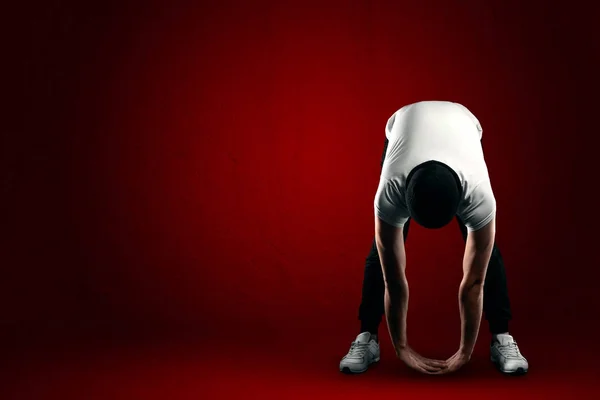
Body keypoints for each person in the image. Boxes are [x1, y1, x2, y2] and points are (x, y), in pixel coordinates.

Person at [339, 101, 529, 375]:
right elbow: (394, 277)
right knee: (382, 254)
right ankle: (367, 336)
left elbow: (474, 280)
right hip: (404, 122)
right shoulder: (390, 190)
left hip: (464, 125)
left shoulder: (478, 194)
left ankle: (502, 336)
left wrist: (464, 353)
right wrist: (402, 349)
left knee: (485, 254)